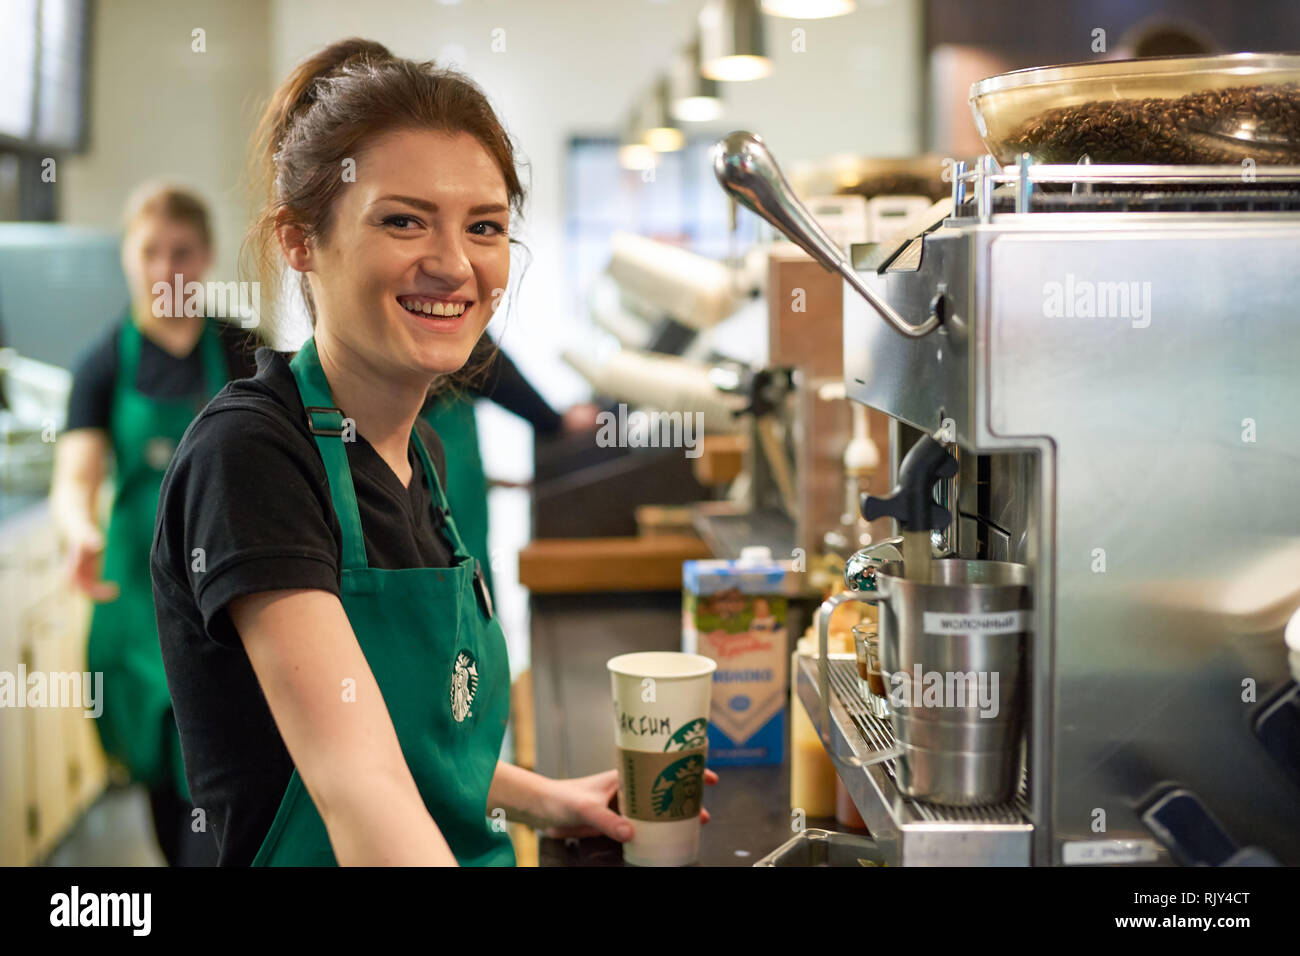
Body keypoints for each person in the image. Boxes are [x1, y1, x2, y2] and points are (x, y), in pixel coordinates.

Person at [150, 38, 715, 867]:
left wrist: (539, 797)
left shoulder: (422, 455)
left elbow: (412, 736)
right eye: (404, 220)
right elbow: (360, 787)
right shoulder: (254, 456)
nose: (454, 265)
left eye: (484, 227)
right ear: (300, 241)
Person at [50, 183, 257, 866]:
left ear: (206, 257)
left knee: (227, 776)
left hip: (226, 599)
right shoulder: (102, 362)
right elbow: (75, 478)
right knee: (165, 792)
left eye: (183, 251)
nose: (166, 267)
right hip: (137, 605)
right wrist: (81, 532)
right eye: (150, 251)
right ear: (126, 258)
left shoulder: (240, 351)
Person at [420, 341, 598, 598]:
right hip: (439, 424)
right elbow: (484, 359)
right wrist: (553, 421)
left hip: (437, 425)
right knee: (456, 556)